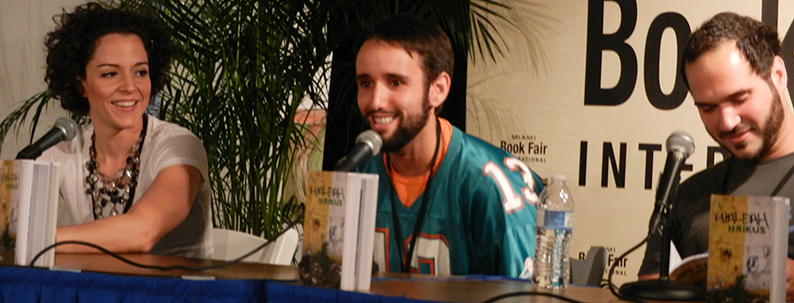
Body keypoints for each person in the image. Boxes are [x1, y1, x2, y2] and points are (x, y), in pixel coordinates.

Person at [354, 14, 543, 277]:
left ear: (438, 89)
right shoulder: (357, 172)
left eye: (395, 82)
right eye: (365, 83)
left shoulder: (488, 185)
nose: (376, 101)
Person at [638, 12, 794, 300]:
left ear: (778, 75)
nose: (727, 122)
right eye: (708, 108)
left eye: (739, 99)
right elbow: (650, 290)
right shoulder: (687, 195)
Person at [37, 2, 212, 258]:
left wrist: (35, 237)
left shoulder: (179, 145)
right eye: (110, 74)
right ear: (81, 85)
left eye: (140, 72)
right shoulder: (63, 150)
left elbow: (142, 232)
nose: (130, 87)